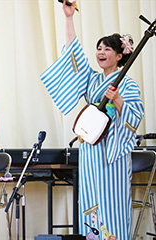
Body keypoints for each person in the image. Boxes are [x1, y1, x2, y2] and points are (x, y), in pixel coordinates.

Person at [40, 1, 144, 240]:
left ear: (120, 55)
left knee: (112, 204)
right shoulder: (92, 78)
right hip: (90, 150)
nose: (100, 52)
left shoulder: (127, 83)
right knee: (90, 203)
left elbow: (134, 117)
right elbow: (74, 56)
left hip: (112, 152)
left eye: (107, 49)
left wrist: (117, 99)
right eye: (98, 48)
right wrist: (68, 18)